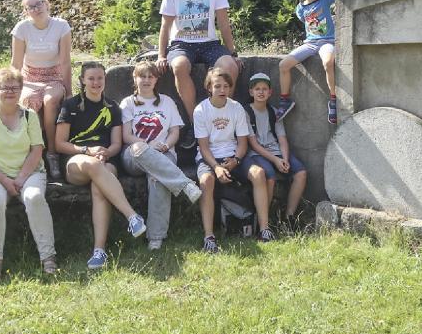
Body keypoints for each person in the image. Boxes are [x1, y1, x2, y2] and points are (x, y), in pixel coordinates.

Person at [56, 61, 147, 269]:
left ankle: (99, 251)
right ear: (82, 81)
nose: (96, 82)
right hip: (76, 161)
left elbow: (116, 144)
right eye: (91, 78)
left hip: (106, 161)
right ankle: (132, 216)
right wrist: (87, 151)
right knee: (95, 167)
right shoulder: (70, 105)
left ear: (105, 80)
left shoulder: (112, 107)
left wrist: (106, 152)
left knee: (99, 186)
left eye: (100, 78)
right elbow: (59, 144)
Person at [0, 68, 57, 284]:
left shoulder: (29, 116)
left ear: (21, 90)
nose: (10, 92)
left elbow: (37, 150)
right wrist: (4, 180)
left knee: (34, 197)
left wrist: (19, 179)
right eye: (4, 87)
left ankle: (48, 258)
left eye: (15, 88)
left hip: (29, 173)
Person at [157, 0, 242, 146]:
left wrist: (233, 53)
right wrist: (162, 55)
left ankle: (224, 120)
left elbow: (224, 24)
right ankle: (195, 122)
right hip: (181, 43)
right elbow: (165, 26)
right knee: (178, 66)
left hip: (209, 43)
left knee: (230, 66)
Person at [118, 61, 203, 251]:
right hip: (134, 155)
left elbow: (175, 132)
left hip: (165, 154)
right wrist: (148, 145)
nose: (147, 80)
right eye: (142, 76)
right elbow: (126, 135)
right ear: (135, 78)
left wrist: (166, 145)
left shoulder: (166, 101)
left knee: (158, 178)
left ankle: (156, 237)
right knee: (140, 148)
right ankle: (185, 184)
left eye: (151, 76)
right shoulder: (128, 103)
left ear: (156, 79)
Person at [10, 0, 73, 181]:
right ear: (26, 11)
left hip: (54, 76)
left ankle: (52, 154)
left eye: (38, 4)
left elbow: (65, 62)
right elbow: (16, 64)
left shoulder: (61, 26)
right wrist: (13, 88)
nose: (36, 9)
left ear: (46, 4)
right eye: (30, 7)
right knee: (29, 101)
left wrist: (69, 92)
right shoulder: (21, 29)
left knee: (51, 100)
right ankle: (33, 156)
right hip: (29, 77)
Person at [194, 67, 253, 253]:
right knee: (206, 180)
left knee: (258, 174)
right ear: (209, 87)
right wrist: (217, 168)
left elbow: (243, 142)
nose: (222, 90)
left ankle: (262, 227)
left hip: (232, 155)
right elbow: (203, 147)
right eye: (217, 86)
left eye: (226, 86)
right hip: (209, 157)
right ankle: (209, 236)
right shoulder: (201, 110)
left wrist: (236, 159)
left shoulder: (236, 108)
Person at [243, 72, 308, 233]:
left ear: (270, 92)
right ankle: (265, 219)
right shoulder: (246, 112)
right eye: (257, 89)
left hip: (276, 152)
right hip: (257, 153)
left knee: (301, 172)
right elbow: (253, 144)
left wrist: (284, 159)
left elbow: (282, 139)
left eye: (265, 89)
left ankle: (289, 217)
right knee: (269, 176)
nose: (261, 92)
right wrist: (276, 161)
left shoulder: (274, 112)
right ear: (251, 92)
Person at [277, 0, 337, 124]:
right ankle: (285, 101)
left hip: (327, 41)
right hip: (310, 44)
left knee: (328, 62)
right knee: (284, 65)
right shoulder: (300, 8)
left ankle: (333, 100)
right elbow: (307, 24)